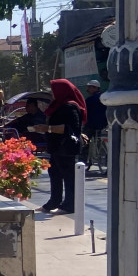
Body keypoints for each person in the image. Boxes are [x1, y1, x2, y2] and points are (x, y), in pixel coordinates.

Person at [37, 79, 87, 214]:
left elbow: (71, 128)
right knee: (54, 174)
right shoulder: (59, 105)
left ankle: (69, 205)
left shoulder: (70, 107)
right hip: (56, 147)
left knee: (68, 176)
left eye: (54, 90)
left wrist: (48, 128)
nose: (52, 93)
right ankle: (54, 201)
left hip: (65, 147)